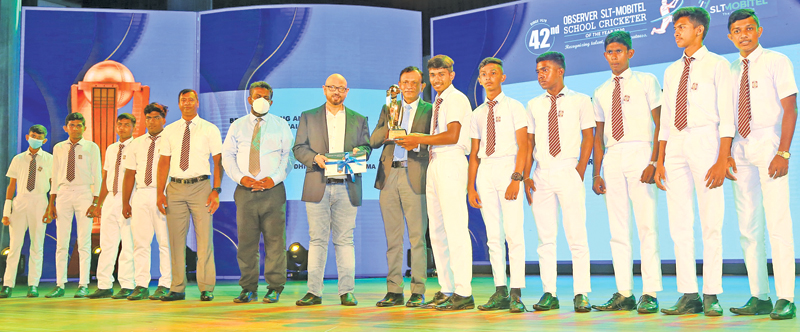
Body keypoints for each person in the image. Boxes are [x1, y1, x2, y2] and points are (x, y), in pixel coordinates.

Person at [653, 7, 734, 316]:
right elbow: (667, 120)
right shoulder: (672, 70)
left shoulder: (718, 64)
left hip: (706, 140)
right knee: (679, 223)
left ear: (699, 30)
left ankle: (711, 292)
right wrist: (660, 159)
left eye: (683, 26)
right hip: (674, 145)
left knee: (711, 221)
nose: (676, 31)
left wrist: (722, 157)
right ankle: (688, 293)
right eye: (675, 27)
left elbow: (727, 115)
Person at [725, 9, 797, 320]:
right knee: (748, 226)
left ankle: (786, 297)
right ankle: (760, 295)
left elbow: (791, 109)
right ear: (730, 36)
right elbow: (727, 117)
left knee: (778, 222)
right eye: (737, 30)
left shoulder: (776, 61)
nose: (743, 34)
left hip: (769, 142)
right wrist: (726, 152)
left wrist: (783, 153)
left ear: (760, 30)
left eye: (749, 28)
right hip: (740, 147)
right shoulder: (729, 70)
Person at [590, 31, 663, 313]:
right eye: (610, 52)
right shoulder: (600, 90)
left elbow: (660, 125)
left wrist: (654, 161)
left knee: (647, 226)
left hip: (641, 151)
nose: (614, 57)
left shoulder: (647, 81)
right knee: (617, 229)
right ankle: (624, 292)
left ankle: (650, 292)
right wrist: (597, 171)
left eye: (619, 51)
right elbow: (598, 135)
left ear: (630, 53)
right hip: (613, 155)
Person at [396, 55, 474, 311]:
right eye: (433, 75)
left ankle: (464, 292)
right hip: (435, 162)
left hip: (451, 160)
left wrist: (419, 137)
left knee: (455, 229)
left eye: (442, 74)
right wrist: (416, 141)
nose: (437, 79)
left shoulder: (456, 98)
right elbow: (437, 138)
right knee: (437, 232)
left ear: (452, 75)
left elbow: (452, 135)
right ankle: (447, 288)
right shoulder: (438, 102)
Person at [523, 51, 595, 313]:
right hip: (541, 172)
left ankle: (581, 293)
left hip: (568, 170)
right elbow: (529, 142)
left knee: (577, 235)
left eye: (546, 69)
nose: (541, 75)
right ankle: (549, 292)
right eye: (538, 71)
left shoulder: (580, 100)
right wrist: (528, 174)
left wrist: (579, 171)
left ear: (561, 70)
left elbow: (589, 137)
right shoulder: (533, 104)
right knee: (545, 238)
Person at [292, 74, 371, 307]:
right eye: (332, 88)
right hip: (318, 184)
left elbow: (367, 147)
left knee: (345, 241)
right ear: (324, 89)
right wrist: (315, 157)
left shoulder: (359, 119)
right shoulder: (309, 116)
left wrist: (360, 152)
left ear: (347, 92)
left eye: (341, 88)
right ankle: (313, 292)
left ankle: (347, 291)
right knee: (316, 240)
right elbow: (298, 148)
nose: (336, 92)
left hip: (347, 186)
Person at [222, 82, 294, 304]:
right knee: (246, 243)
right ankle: (248, 288)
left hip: (272, 191)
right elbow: (228, 156)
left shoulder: (281, 125)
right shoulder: (238, 126)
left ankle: (274, 287)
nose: (260, 99)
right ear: (249, 99)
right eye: (257, 96)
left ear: (271, 101)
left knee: (274, 242)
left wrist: (272, 179)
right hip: (245, 191)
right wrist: (240, 177)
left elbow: (287, 157)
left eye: (265, 96)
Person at [467, 57, 528, 313]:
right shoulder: (477, 113)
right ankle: (500, 290)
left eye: (493, 73)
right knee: (493, 236)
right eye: (483, 74)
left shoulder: (515, 107)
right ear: (480, 79)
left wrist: (517, 177)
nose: (488, 77)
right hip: (486, 170)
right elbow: (473, 153)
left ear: (502, 77)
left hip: (508, 168)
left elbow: (524, 146)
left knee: (514, 233)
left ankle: (516, 292)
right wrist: (471, 186)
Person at [370, 66, 432, 308]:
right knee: (393, 239)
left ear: (421, 86)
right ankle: (394, 290)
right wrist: (389, 129)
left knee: (417, 238)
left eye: (413, 82)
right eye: (404, 82)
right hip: (389, 175)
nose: (408, 86)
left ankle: (418, 291)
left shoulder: (429, 110)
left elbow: (434, 143)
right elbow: (374, 141)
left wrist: (414, 143)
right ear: (398, 84)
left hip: (414, 173)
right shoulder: (389, 108)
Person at [156, 89, 223, 301]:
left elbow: (218, 161)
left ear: (197, 103)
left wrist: (216, 190)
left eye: (190, 100)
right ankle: (177, 287)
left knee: (204, 239)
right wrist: (160, 192)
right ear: (178, 104)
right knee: (175, 240)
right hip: (174, 188)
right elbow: (164, 163)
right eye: (183, 100)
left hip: (201, 187)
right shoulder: (169, 131)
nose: (187, 103)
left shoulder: (209, 129)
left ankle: (206, 287)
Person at [44, 112, 102, 298]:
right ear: (66, 127)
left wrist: (95, 201)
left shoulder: (91, 147)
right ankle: (60, 284)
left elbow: (98, 176)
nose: (76, 128)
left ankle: (83, 284)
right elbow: (54, 175)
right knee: (62, 241)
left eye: (79, 125)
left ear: (85, 127)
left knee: (84, 241)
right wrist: (51, 202)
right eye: (72, 125)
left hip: (84, 192)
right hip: (63, 193)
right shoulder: (59, 148)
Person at [121, 103, 172, 300]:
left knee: (165, 242)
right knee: (140, 242)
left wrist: (166, 194)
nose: (152, 121)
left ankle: (166, 283)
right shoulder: (136, 143)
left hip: (164, 194)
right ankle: (141, 284)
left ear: (163, 120)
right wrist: (126, 202)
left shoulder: (170, 140)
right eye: (148, 118)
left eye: (156, 117)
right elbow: (129, 175)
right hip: (141, 194)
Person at [87, 113, 137, 299]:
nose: (122, 128)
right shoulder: (111, 148)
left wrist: (129, 202)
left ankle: (127, 284)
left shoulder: (137, 147)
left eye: (126, 125)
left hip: (129, 199)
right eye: (120, 124)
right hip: (110, 198)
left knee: (128, 244)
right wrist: (98, 203)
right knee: (107, 244)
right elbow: (106, 177)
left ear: (133, 127)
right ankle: (104, 284)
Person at [0, 125, 52, 299]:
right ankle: (7, 284)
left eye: (39, 136)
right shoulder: (18, 159)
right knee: (15, 246)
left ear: (44, 140)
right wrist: (6, 211)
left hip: (40, 201)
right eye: (33, 135)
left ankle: (33, 285)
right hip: (20, 201)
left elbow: (55, 186)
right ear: (27, 137)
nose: (35, 138)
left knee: (37, 245)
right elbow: (11, 185)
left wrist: (51, 208)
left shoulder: (50, 159)